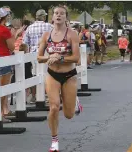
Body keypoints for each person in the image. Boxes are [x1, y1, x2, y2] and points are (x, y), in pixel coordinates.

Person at [37, 5, 83, 152]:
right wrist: (49, 57)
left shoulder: (72, 34)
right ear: (52, 17)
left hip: (69, 75)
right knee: (54, 107)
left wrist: (60, 58)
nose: (58, 15)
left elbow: (76, 58)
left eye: (62, 14)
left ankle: (74, 101)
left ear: (66, 17)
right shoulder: (46, 35)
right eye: (56, 13)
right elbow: (39, 57)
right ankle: (54, 140)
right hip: (52, 75)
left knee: (68, 115)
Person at [0, 7, 24, 122]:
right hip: (4, 59)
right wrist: (16, 35)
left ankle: (3, 111)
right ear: (5, 17)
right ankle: (0, 114)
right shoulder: (4, 30)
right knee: (3, 89)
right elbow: (12, 46)